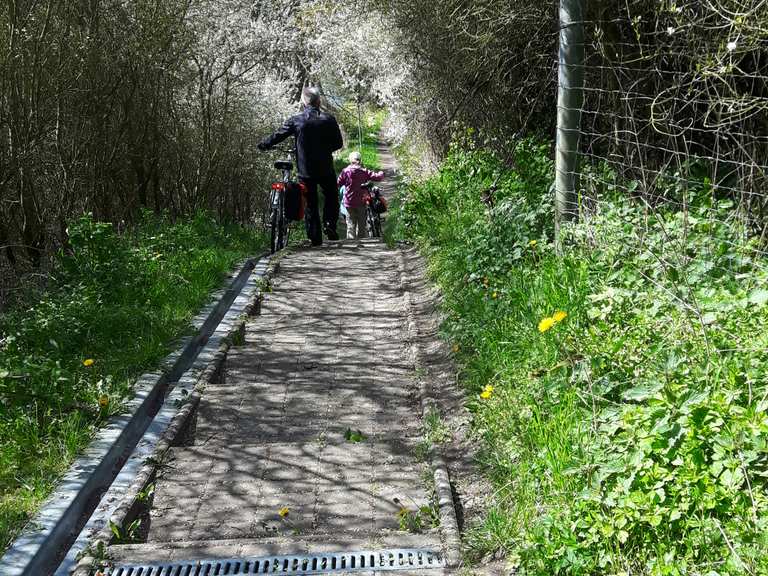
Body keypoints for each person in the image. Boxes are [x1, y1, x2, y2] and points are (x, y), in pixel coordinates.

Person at [258, 87, 344, 245]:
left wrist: (264, 144)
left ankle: (315, 237)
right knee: (331, 195)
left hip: (306, 169)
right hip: (325, 167)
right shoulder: (329, 119)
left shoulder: (296, 120)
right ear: (319, 101)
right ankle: (329, 224)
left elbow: (278, 135)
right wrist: (325, 150)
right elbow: (338, 143)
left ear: (304, 102)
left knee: (310, 202)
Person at [337, 151, 384, 239]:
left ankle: (351, 246)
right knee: (362, 225)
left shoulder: (345, 171)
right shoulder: (364, 171)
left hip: (349, 203)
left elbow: (338, 183)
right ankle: (361, 244)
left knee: (350, 225)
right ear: (360, 160)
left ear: (350, 160)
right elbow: (377, 177)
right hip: (361, 202)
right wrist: (381, 173)